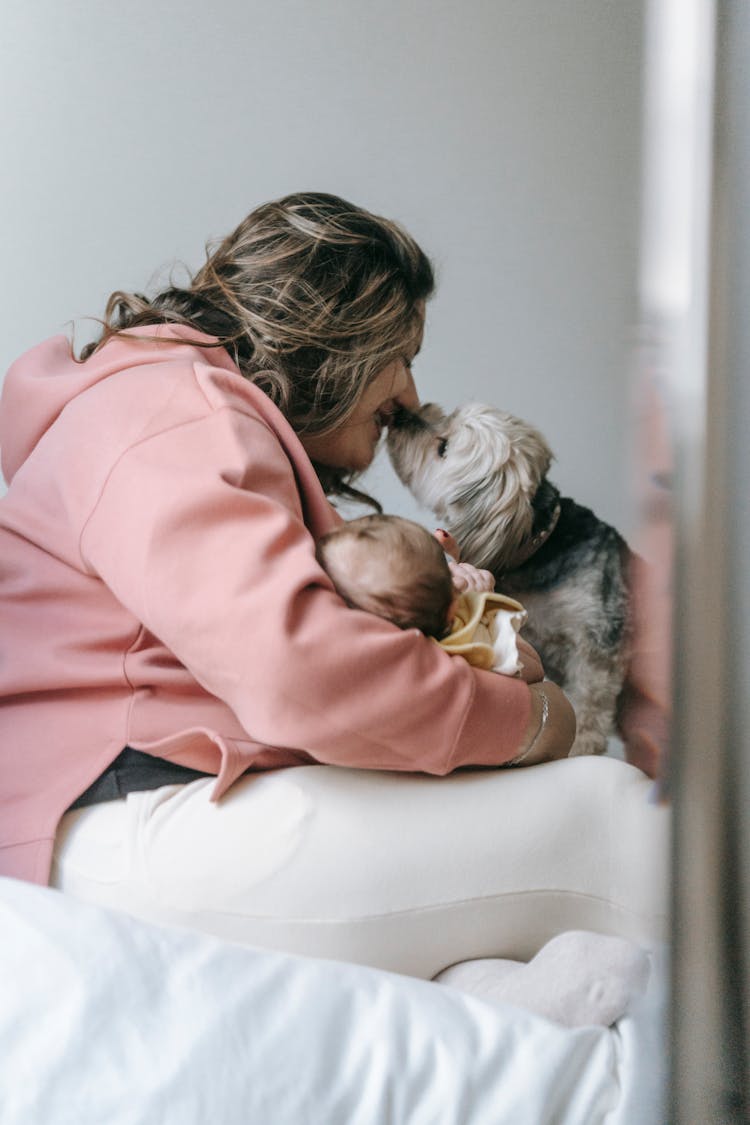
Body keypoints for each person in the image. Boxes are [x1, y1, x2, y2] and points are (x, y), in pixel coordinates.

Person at [0, 192, 668, 977]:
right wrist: (534, 718)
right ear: (340, 335)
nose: (413, 398)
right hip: (126, 819)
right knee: (610, 818)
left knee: (498, 953)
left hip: (139, 812)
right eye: (404, 354)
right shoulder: (177, 412)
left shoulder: (173, 404)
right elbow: (303, 671)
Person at [316, 513, 537, 679]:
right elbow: (534, 669)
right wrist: (481, 608)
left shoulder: (391, 665)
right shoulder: (470, 641)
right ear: (453, 607)